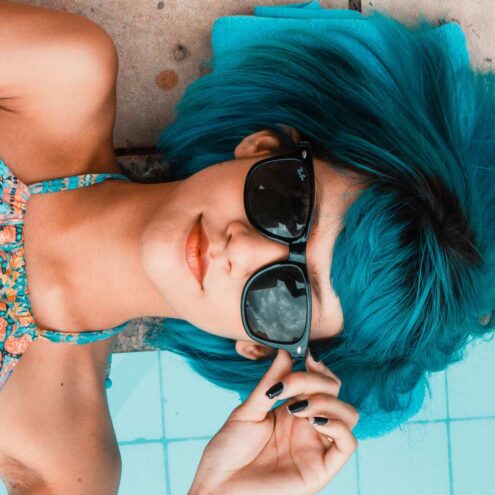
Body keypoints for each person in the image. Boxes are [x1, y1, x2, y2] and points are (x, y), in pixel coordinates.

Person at [0, 0, 494, 493]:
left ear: (259, 347)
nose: (241, 249)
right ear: (262, 147)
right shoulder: (59, 75)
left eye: (289, 296)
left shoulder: (69, 461)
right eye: (286, 205)